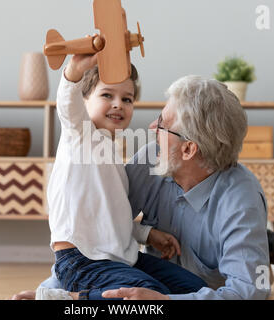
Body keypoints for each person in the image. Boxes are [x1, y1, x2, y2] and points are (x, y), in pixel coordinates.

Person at [11, 75, 272, 300]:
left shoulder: (240, 200)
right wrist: (49, 290)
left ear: (189, 148)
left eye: (162, 125)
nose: (151, 128)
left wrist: (163, 301)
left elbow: (249, 292)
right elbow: (97, 229)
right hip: (136, 282)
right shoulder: (150, 161)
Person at [32, 52, 207, 301]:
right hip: (82, 260)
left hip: (122, 258)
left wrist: (147, 235)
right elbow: (66, 102)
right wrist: (74, 71)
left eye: (127, 99)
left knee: (196, 289)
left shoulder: (113, 159)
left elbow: (111, 219)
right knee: (151, 297)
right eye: (107, 95)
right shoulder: (80, 135)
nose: (118, 104)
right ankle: (70, 300)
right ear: (83, 101)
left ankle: (69, 295)